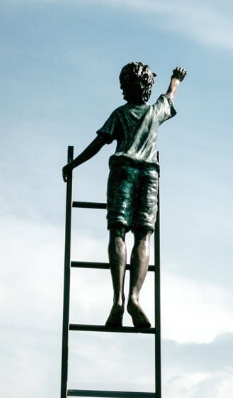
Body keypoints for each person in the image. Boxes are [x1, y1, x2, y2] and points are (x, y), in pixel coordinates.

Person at [62, 62, 187, 328]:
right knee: (143, 235)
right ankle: (134, 297)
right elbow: (170, 96)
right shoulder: (155, 112)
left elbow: (98, 144)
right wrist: (175, 79)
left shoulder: (120, 114)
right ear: (147, 87)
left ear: (125, 88)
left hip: (122, 171)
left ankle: (118, 299)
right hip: (149, 174)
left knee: (117, 232)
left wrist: (74, 165)